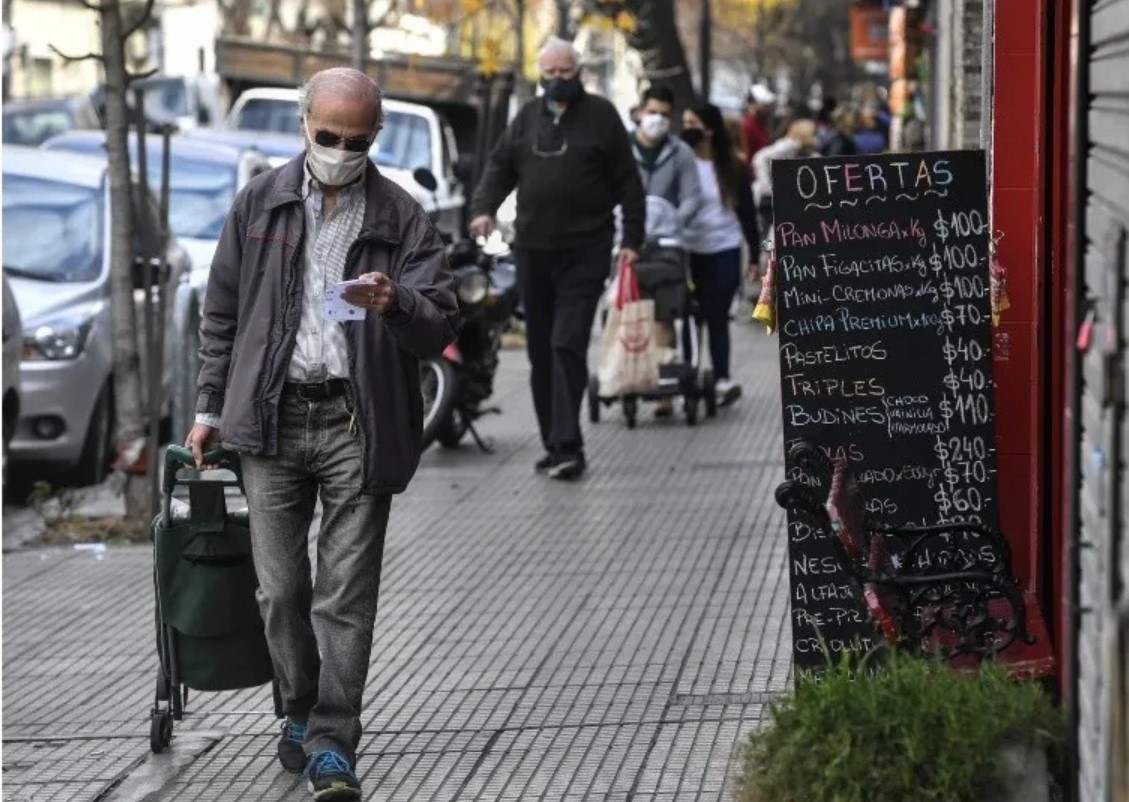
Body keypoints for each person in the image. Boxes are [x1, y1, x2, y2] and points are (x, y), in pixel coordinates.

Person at [185, 67, 457, 801]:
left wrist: (396, 301)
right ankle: (300, 709)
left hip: (355, 422)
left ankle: (334, 740)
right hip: (270, 422)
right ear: (304, 124)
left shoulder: (400, 215)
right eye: (329, 135)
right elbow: (221, 317)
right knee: (279, 591)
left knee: (344, 596)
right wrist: (209, 408)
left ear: (375, 136)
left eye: (357, 139)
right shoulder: (260, 202)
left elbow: (439, 326)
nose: (341, 150)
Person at [469, 38, 645, 481]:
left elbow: (629, 183)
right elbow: (499, 167)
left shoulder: (602, 117)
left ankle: (570, 445)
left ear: (579, 71)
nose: (557, 80)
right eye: (549, 73)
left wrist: (633, 240)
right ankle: (553, 443)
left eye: (565, 72)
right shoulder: (527, 118)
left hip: (585, 250)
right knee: (540, 349)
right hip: (533, 250)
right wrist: (483, 209)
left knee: (567, 341)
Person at [630, 84, 704, 417]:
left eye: (663, 114)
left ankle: (665, 387)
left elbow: (692, 196)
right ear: (638, 113)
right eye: (651, 112)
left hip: (668, 246)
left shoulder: (680, 153)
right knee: (632, 313)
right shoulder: (621, 150)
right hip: (628, 244)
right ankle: (633, 376)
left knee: (666, 314)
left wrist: (674, 220)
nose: (657, 119)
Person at [680, 103, 760, 408]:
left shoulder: (732, 166)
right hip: (687, 249)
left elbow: (747, 215)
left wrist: (754, 255)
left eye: (694, 122)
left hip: (723, 247)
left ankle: (722, 378)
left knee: (716, 315)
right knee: (688, 317)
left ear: (710, 129)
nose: (688, 127)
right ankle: (689, 375)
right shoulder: (678, 161)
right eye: (685, 121)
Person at [741, 84, 774, 175]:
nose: (768, 109)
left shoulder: (762, 126)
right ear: (751, 105)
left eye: (768, 105)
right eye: (764, 105)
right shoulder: (746, 127)